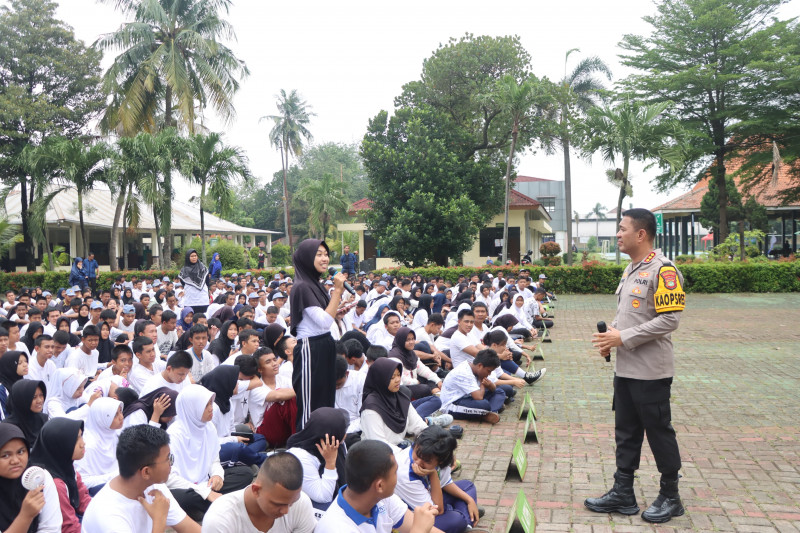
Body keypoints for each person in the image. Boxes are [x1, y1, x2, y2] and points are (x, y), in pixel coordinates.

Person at [587, 208, 686, 524]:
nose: (617, 234)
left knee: (658, 432)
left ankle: (671, 496)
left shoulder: (664, 271)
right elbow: (628, 315)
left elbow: (670, 320)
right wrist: (612, 334)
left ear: (640, 234)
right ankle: (623, 493)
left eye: (622, 229)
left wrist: (623, 337)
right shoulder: (631, 269)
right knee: (626, 432)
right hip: (626, 369)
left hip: (651, 372)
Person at [81, 424, 201, 533]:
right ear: (146, 472)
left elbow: (190, 528)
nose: (171, 463)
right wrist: (159, 519)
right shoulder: (108, 515)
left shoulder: (153, 486)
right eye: (167, 459)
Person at [315, 439, 437, 533]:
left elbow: (413, 523)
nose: (397, 476)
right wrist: (419, 530)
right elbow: (417, 528)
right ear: (379, 486)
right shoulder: (337, 528)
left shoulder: (381, 498)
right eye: (395, 472)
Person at [166, 384, 250, 521]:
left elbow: (214, 460)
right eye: (206, 405)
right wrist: (204, 492)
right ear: (192, 408)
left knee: (245, 474)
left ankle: (204, 506)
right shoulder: (173, 435)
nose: (212, 408)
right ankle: (215, 503)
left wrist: (217, 476)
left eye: (211, 403)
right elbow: (169, 479)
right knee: (180, 497)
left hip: (206, 484)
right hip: (187, 488)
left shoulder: (208, 427)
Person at [289, 239, 347, 430]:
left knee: (325, 399)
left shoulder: (314, 283)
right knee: (309, 405)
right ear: (306, 258)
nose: (325, 259)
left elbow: (321, 319)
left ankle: (323, 445)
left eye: (326, 254)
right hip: (310, 348)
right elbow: (323, 321)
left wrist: (336, 311)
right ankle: (304, 446)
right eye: (319, 254)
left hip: (324, 343)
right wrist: (338, 291)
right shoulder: (302, 286)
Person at [393, 426, 481, 533]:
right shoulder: (405, 474)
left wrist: (469, 500)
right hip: (413, 518)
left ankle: (466, 523)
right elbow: (438, 510)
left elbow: (445, 483)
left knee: (467, 486)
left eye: (427, 461)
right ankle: (464, 519)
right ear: (415, 445)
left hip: (431, 498)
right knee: (456, 520)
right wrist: (433, 474)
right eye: (417, 454)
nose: (418, 462)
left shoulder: (441, 458)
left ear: (441, 461)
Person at [200, 452, 315, 533]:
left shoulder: (301, 504)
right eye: (278, 504)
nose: (286, 511)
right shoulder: (220, 519)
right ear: (256, 490)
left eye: (292, 503)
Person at [29, 418, 92, 533]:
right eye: (76, 439)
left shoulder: (64, 465)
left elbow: (83, 499)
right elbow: (69, 527)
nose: (83, 443)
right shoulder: (55, 483)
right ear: (60, 444)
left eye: (81, 436)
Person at [0, 423, 63, 532]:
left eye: (21, 452)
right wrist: (25, 516)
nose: (15, 461)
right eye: (5, 455)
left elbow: (51, 528)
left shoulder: (38, 476)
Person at [285, 407, 348, 511]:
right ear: (331, 435)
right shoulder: (301, 456)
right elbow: (323, 497)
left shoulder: (333, 445)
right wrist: (330, 463)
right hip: (306, 504)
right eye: (342, 430)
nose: (345, 434)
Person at [359, 359, 431, 446]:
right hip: (378, 455)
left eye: (398, 375)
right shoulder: (371, 408)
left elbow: (418, 425)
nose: (397, 380)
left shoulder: (401, 397)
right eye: (392, 377)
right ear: (380, 380)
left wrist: (431, 437)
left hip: (400, 446)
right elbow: (379, 446)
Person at [438, 349, 505, 424]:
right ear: (480, 365)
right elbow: (479, 397)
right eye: (489, 371)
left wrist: (490, 385)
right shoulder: (464, 372)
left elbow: (494, 388)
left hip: (469, 398)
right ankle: (487, 412)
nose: (489, 374)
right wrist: (482, 383)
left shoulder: (478, 369)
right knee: (484, 405)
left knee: (499, 391)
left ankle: (488, 413)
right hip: (452, 404)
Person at [75, 397, 125, 494]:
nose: (121, 417)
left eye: (120, 412)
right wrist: (116, 475)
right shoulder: (88, 445)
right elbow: (83, 481)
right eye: (115, 415)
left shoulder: (114, 434)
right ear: (101, 419)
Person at [3, 379, 48, 444]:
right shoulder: (8, 427)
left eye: (41, 395)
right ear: (22, 399)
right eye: (34, 397)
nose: (40, 400)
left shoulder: (43, 419)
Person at [179, 250, 210, 316]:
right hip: (190, 300)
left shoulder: (203, 268)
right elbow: (183, 282)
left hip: (202, 299)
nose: (194, 258)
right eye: (192, 256)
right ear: (188, 257)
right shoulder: (184, 270)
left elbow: (207, 282)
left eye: (195, 256)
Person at [1, 350, 29, 420]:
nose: (25, 365)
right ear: (9, 366)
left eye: (26, 361)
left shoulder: (25, 385)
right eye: (19, 363)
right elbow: (4, 416)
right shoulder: (2, 389)